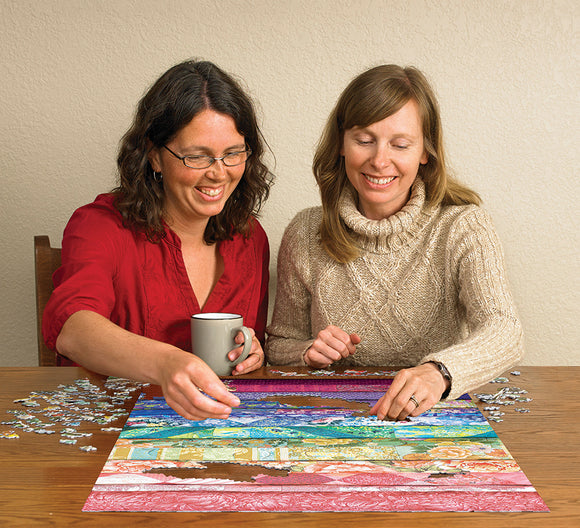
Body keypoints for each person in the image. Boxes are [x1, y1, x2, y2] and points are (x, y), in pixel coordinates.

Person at [266, 64, 523, 421]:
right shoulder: (305, 231)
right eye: (364, 140)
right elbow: (279, 346)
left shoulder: (464, 226)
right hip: (334, 419)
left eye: (400, 144)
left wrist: (439, 373)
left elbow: (505, 330)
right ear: (341, 143)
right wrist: (309, 351)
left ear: (425, 152)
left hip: (431, 419)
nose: (379, 160)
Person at [43, 60, 273, 421]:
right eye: (196, 156)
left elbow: (248, 346)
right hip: (112, 431)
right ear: (154, 155)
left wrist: (253, 350)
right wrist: (166, 363)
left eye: (233, 153)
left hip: (219, 433)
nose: (218, 172)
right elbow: (73, 329)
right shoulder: (99, 226)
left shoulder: (250, 238)